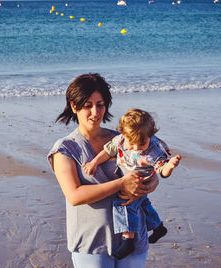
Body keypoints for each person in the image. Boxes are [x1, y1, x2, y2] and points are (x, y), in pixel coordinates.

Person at [47, 73, 159, 268]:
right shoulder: (65, 148)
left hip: (133, 237)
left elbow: (151, 172)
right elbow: (74, 195)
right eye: (87, 105)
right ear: (74, 106)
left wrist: (150, 184)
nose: (95, 112)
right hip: (92, 242)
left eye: (100, 104)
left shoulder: (124, 139)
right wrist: (121, 184)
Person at [82, 108, 181, 259]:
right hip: (128, 178)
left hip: (141, 181)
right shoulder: (120, 140)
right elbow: (108, 152)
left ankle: (127, 239)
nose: (136, 148)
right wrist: (94, 162)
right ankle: (158, 227)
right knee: (144, 204)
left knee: (124, 204)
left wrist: (170, 166)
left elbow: (162, 171)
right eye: (132, 143)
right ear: (123, 134)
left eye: (142, 143)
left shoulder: (152, 151)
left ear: (151, 136)